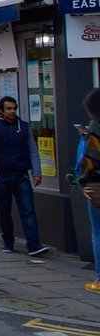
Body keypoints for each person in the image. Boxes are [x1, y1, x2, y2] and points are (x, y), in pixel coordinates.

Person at [0, 96, 49, 256]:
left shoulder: (25, 128)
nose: (12, 111)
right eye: (8, 108)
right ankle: (8, 242)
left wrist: (36, 173)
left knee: (28, 211)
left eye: (14, 108)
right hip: (3, 177)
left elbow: (33, 151)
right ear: (1, 110)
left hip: (21, 175)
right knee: (5, 212)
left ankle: (33, 245)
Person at [79, 88, 100, 294]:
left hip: (98, 186)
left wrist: (85, 183)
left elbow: (92, 161)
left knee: (98, 232)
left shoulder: (96, 129)